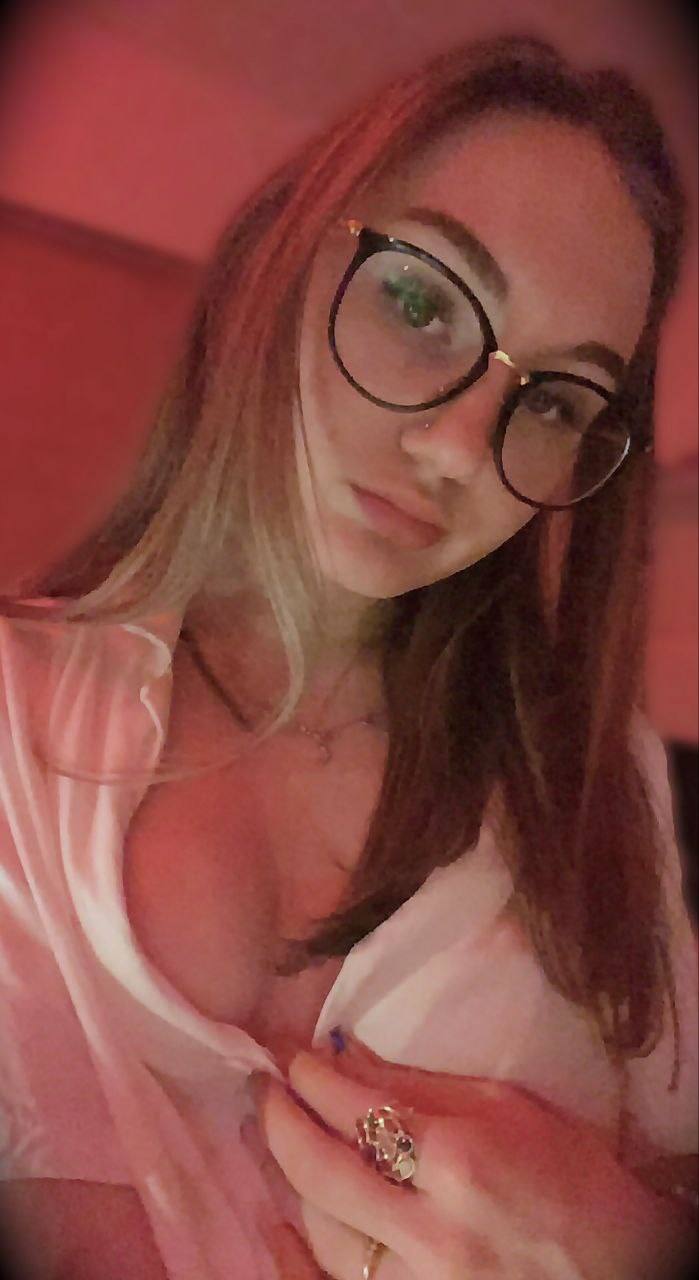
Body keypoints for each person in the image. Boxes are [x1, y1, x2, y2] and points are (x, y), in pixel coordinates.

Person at [0, 32, 696, 1280]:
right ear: (284, 256)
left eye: (553, 400)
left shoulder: (600, 773)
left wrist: (628, 1238)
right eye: (423, 304)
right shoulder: (11, 709)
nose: (463, 446)